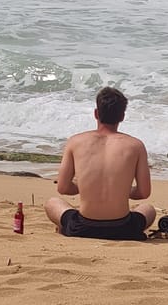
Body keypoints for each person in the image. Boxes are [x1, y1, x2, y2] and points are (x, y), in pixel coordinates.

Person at [45, 87, 156, 240]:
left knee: (52, 203)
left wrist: (84, 186)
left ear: (96, 113)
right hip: (123, 228)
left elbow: (63, 188)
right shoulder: (135, 145)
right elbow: (143, 193)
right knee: (148, 209)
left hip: (83, 227)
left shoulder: (75, 142)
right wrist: (121, 189)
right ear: (122, 116)